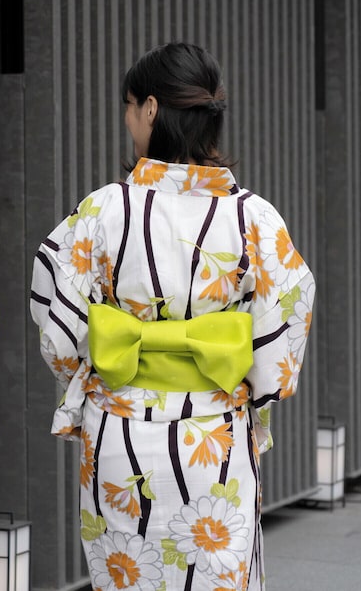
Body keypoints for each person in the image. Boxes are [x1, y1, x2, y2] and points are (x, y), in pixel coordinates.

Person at [30, 42, 315, 590]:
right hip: (216, 431)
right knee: (218, 574)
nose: (127, 116)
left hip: (120, 431)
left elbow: (57, 319)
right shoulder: (253, 217)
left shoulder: (101, 211)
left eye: (129, 104)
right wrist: (255, 389)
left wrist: (86, 375)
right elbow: (288, 316)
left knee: (129, 575)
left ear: (152, 109)